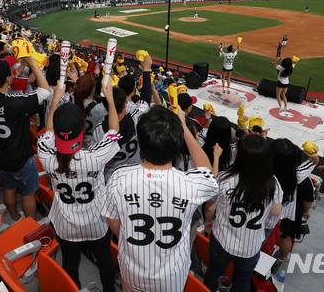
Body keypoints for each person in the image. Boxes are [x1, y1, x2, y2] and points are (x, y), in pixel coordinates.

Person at [102, 106, 218, 292]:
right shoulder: (190, 184)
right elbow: (208, 171)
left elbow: (114, 224)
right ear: (178, 144)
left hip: (132, 270)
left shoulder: (119, 178)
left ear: (139, 142)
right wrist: (183, 126)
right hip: (171, 278)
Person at [37, 80, 119, 292]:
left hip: (66, 224)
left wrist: (54, 100)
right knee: (105, 261)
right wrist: (110, 99)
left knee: (70, 264)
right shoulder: (95, 157)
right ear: (82, 130)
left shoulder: (46, 156)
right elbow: (113, 131)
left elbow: (48, 131)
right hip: (96, 221)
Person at [203, 134, 283, 292]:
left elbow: (210, 206)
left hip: (221, 240)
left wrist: (208, 221)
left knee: (213, 273)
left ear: (239, 154)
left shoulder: (225, 178)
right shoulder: (273, 183)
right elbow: (276, 211)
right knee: (242, 282)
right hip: (250, 247)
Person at [0, 56, 50, 222]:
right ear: (8, 79)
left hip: (0, 156)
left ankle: (15, 218)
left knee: (8, 189)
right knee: (27, 193)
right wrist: (32, 63)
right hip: (21, 158)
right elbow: (45, 91)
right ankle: (30, 225)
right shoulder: (13, 103)